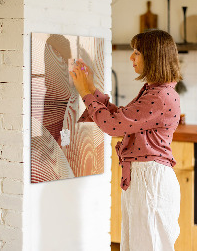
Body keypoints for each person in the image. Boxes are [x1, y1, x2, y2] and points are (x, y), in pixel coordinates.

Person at [70, 29, 182, 251]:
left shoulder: (159, 96)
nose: (131, 58)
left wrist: (85, 93)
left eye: (137, 52)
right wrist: (92, 89)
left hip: (150, 180)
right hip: (145, 178)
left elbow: (112, 126)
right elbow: (121, 118)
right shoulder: (155, 91)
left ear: (153, 57)